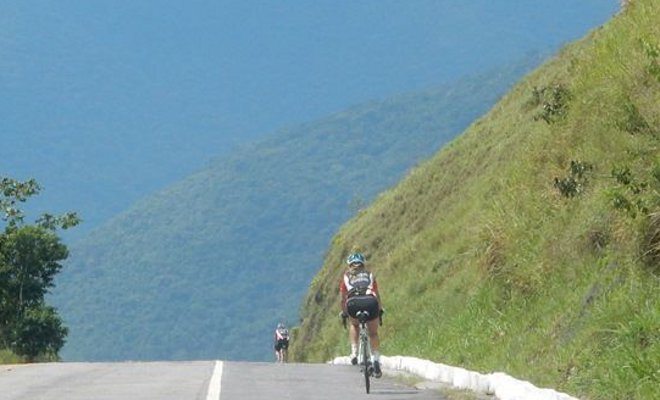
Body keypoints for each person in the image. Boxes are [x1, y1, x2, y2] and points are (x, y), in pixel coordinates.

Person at [339, 252, 383, 378]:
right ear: (363, 264)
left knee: (354, 324)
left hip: (354, 303)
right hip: (370, 301)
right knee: (373, 333)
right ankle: (375, 359)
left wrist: (344, 312)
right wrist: (379, 310)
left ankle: (354, 352)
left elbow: (342, 299)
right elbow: (377, 294)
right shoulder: (370, 275)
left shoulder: (346, 276)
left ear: (349, 265)